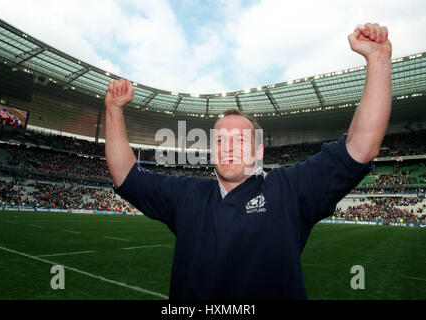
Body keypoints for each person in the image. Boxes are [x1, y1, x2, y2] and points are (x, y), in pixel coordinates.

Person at [104, 23, 392, 300]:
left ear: (258, 152)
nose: (228, 147)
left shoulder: (289, 190)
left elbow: (361, 146)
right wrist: (113, 109)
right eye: (219, 140)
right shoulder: (186, 195)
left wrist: (378, 59)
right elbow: (126, 175)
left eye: (240, 140)